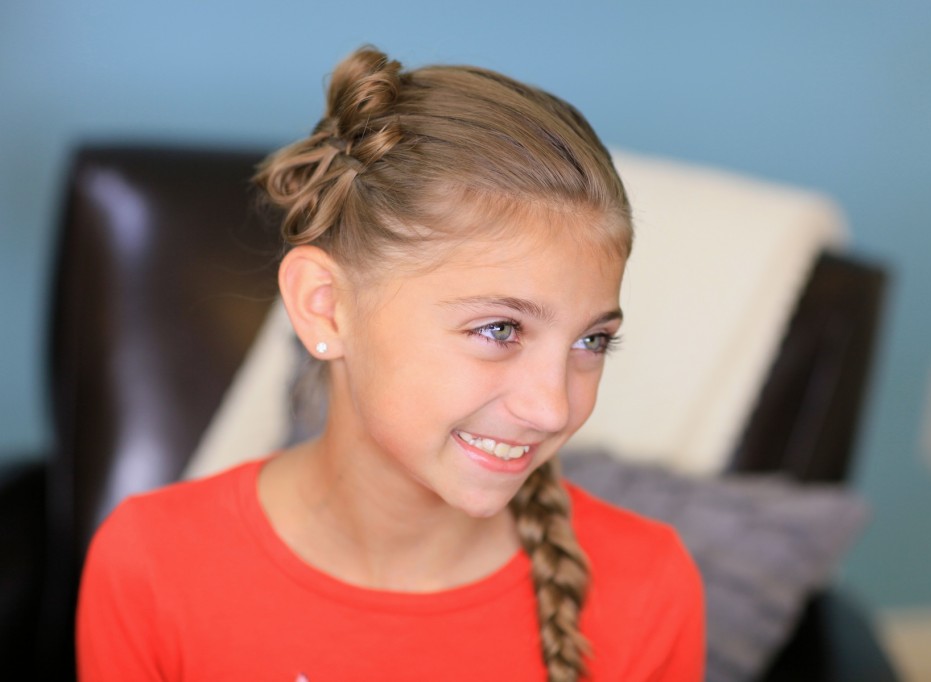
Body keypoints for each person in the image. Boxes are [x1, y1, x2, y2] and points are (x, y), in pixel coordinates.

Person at [77, 46, 704, 681]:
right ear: (325, 307)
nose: (553, 408)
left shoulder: (650, 584)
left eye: (590, 342)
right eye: (499, 329)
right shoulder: (152, 566)